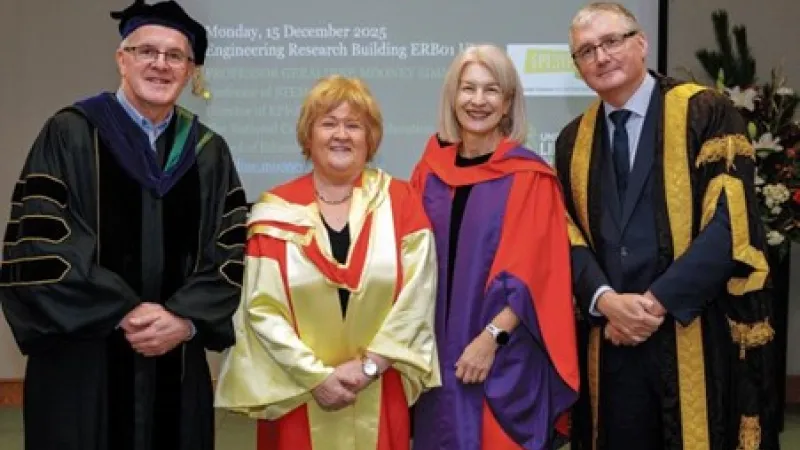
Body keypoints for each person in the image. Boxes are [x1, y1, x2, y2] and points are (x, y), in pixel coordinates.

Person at [0, 1, 247, 449]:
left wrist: (183, 318)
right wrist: (123, 310)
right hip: (84, 363)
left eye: (175, 56)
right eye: (146, 51)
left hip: (175, 357)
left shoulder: (209, 152)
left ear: (191, 71)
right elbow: (39, 246)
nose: (160, 64)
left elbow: (231, 252)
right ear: (122, 58)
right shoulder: (71, 133)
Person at [555, 3, 779, 450]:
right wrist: (607, 301)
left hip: (692, 329)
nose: (601, 56)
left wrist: (655, 304)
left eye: (612, 41)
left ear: (641, 42)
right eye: (586, 51)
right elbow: (566, 234)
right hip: (612, 340)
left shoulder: (705, 112)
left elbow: (728, 222)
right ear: (578, 68)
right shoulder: (572, 139)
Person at [214, 74, 441, 450]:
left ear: (371, 139)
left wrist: (370, 368)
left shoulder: (401, 202)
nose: (341, 135)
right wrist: (317, 378)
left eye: (354, 125)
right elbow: (261, 308)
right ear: (308, 136)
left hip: (378, 389)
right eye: (329, 123)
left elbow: (417, 298)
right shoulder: (274, 211)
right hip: (297, 393)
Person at [410, 44, 579, 450]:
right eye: (468, 89)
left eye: (492, 91)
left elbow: (537, 275)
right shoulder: (428, 173)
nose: (478, 101)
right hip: (434, 362)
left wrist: (489, 341)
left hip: (500, 361)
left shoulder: (530, 177)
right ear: (453, 98)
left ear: (507, 105)